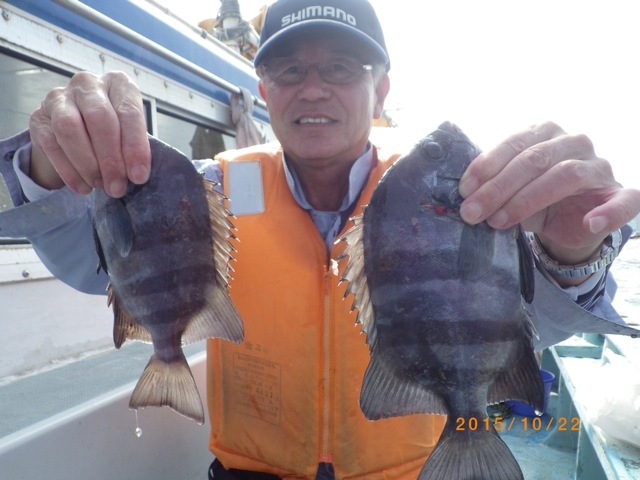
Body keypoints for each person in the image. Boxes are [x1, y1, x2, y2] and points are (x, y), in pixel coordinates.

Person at [1, 0, 639, 478]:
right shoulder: (204, 188)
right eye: (289, 69)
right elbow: (93, 259)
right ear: (264, 90)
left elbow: (523, 322)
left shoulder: (459, 197)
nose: (313, 88)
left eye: (340, 67)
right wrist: (52, 168)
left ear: (379, 90)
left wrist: (573, 252)